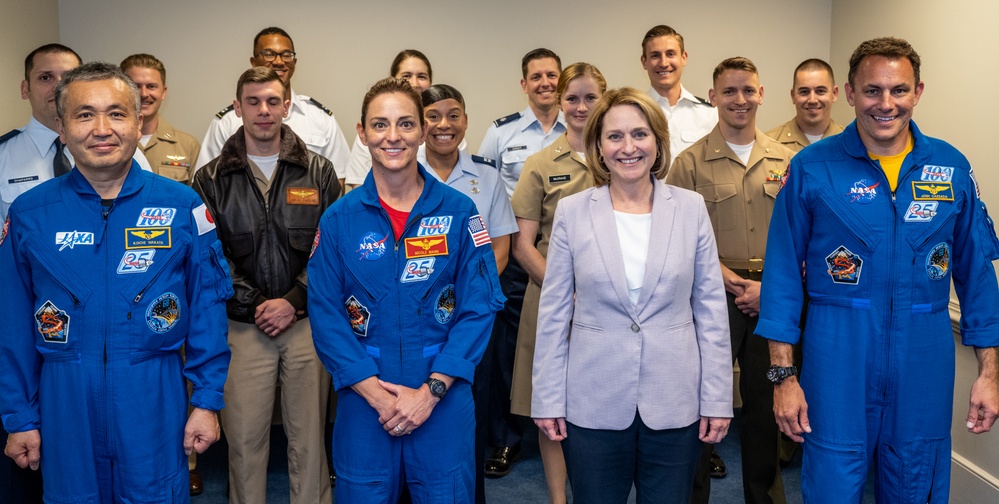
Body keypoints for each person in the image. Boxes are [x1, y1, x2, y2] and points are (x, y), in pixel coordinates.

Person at [757, 37, 999, 503]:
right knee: (831, 482)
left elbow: (978, 279)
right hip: (837, 351)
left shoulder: (949, 168)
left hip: (924, 354)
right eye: (872, 91)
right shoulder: (811, 168)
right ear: (849, 93)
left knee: (917, 481)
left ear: (918, 91)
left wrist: (990, 373)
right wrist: (783, 380)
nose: (885, 104)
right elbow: (783, 279)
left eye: (899, 90)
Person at [0, 61, 232, 503]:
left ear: (139, 121)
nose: (102, 128)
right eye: (85, 115)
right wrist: (19, 418)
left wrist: (206, 402)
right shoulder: (30, 213)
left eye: (117, 113)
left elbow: (207, 311)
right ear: (62, 128)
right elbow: (11, 326)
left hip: (152, 393)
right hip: (64, 396)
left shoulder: (183, 207)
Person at [307, 77, 505, 503]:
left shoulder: (459, 212)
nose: (392, 137)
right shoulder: (338, 221)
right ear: (361, 133)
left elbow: (479, 307)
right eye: (380, 125)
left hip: (443, 396)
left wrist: (430, 393)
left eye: (404, 124)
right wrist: (377, 396)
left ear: (421, 131)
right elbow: (325, 316)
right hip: (363, 398)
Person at [532, 87, 732, 504]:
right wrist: (547, 398)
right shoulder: (572, 212)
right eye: (615, 136)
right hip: (593, 400)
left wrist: (718, 398)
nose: (628, 148)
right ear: (599, 147)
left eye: (639, 134)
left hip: (676, 400)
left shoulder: (691, 208)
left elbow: (711, 309)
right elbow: (552, 315)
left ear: (658, 142)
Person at [192, 67, 340, 504]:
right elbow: (209, 256)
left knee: (310, 441)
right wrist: (257, 303)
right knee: (244, 443)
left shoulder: (318, 171)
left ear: (287, 106)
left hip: (307, 322)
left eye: (273, 101)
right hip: (242, 325)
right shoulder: (210, 178)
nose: (263, 110)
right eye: (253, 102)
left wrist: (293, 300)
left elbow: (332, 249)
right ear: (237, 108)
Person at [666, 57, 795, 504]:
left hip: (772, 293)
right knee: (705, 401)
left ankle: (766, 496)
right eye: (729, 91)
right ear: (714, 96)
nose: (739, 100)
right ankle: (693, 495)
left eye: (748, 90)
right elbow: (677, 237)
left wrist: (770, 289)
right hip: (709, 290)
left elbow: (802, 237)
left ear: (761, 94)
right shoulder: (688, 163)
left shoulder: (789, 161)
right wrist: (726, 278)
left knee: (765, 403)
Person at [508, 62, 605, 504]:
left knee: (603, 404)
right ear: (559, 102)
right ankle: (557, 498)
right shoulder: (539, 164)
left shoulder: (622, 155)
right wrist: (568, 291)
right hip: (550, 300)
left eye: (590, 97)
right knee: (549, 405)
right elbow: (523, 246)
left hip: (614, 305)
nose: (581, 107)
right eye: (572, 98)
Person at [416, 83, 518, 503]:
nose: (444, 124)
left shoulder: (487, 177)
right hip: (416, 318)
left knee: (469, 407)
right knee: (417, 405)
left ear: (465, 121)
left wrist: (463, 302)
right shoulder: (403, 168)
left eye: (454, 115)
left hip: (472, 317)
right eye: (434, 116)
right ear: (420, 124)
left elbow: (500, 248)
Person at [476, 47, 566, 479]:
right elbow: (482, 190)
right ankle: (508, 439)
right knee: (512, 350)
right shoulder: (501, 133)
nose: (545, 83)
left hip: (572, 253)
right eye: (537, 76)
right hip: (518, 252)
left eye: (552, 75)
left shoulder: (585, 127)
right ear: (524, 83)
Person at [0, 44, 154, 223]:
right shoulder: (3, 155)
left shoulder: (123, 151)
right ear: (25, 89)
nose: (58, 87)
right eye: (45, 77)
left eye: (68, 77)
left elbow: (148, 211)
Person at [196, 27, 350, 185]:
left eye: (286, 55)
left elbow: (335, 180)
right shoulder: (226, 122)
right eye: (268, 54)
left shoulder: (321, 118)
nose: (278, 61)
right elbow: (207, 180)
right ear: (253, 62)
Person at [346, 50, 467, 189]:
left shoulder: (447, 132)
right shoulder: (372, 134)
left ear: (423, 131)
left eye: (421, 76)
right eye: (406, 76)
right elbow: (360, 189)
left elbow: (459, 182)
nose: (414, 83)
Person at [640, 25, 717, 165]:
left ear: (683, 58)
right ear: (644, 62)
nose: (663, 63)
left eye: (670, 54)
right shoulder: (633, 113)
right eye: (655, 55)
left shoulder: (710, 114)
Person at [121, 53, 202, 184]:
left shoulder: (188, 146)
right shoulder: (108, 142)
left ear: (163, 92)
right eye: (135, 86)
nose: (143, 94)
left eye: (151, 86)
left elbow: (195, 200)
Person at [766, 58, 844, 152]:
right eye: (804, 92)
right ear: (793, 95)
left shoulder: (851, 142)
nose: (812, 100)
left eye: (820, 91)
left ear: (834, 94)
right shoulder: (769, 144)